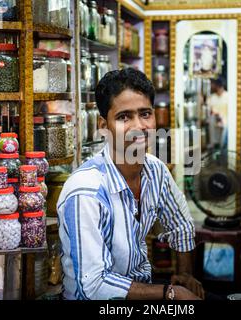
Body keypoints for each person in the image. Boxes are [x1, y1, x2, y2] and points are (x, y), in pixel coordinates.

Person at [56, 68, 204, 300]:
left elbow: (181, 226)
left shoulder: (155, 171)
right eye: (124, 117)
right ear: (104, 126)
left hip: (143, 289)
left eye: (145, 114)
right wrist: (170, 293)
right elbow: (94, 285)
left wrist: (185, 276)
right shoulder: (86, 191)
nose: (139, 126)